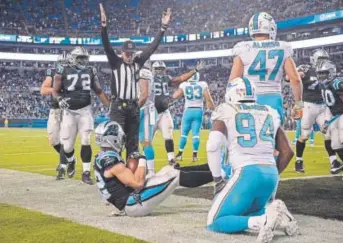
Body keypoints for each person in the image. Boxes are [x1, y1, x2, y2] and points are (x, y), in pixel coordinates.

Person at [206, 77, 299, 242]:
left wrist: (217, 179)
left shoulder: (226, 109)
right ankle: (281, 218)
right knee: (246, 211)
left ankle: (262, 221)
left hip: (245, 173)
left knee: (214, 221)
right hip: (270, 174)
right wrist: (273, 174)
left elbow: (212, 146)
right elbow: (287, 151)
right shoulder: (270, 110)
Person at [93, 121, 215, 217]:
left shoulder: (104, 157)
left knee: (168, 169)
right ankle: (220, 174)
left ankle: (212, 167)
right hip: (133, 204)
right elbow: (138, 184)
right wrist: (142, 159)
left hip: (130, 199)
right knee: (174, 175)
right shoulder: (110, 160)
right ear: (112, 139)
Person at [100, 3, 171, 159]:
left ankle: (130, 177)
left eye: (132, 53)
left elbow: (152, 48)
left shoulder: (138, 62)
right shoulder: (116, 62)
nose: (130, 56)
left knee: (133, 146)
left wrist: (163, 28)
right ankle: (116, 177)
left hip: (133, 107)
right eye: (127, 53)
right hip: (118, 107)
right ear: (122, 52)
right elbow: (106, 46)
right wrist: (104, 27)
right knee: (115, 141)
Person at [229, 12, 303, 123]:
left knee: (253, 136)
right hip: (273, 97)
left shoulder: (243, 47)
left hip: (249, 99)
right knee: (276, 136)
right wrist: (298, 104)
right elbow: (296, 80)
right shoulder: (283, 47)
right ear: (271, 27)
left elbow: (233, 81)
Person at [53, 46, 109, 184]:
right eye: (80, 58)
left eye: (85, 58)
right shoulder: (62, 69)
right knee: (67, 147)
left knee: (86, 140)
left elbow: (98, 90)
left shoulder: (90, 70)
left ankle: (86, 173)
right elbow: (55, 91)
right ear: (73, 58)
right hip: (69, 112)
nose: (83, 61)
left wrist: (109, 105)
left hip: (85, 110)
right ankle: (71, 161)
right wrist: (60, 99)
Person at [293, 50, 342, 173]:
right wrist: (298, 75)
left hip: (323, 106)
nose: (322, 62)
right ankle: (299, 161)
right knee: (304, 135)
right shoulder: (306, 69)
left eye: (324, 59)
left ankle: (333, 162)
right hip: (309, 105)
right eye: (320, 59)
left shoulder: (328, 73)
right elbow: (290, 78)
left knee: (328, 134)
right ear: (314, 60)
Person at [152, 60, 205, 166]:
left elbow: (180, 79)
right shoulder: (147, 78)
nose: (159, 72)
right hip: (151, 111)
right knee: (147, 139)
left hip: (164, 111)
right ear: (153, 70)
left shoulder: (167, 78)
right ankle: (144, 161)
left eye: (161, 69)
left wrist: (195, 70)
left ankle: (171, 159)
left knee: (168, 135)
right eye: (157, 69)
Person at [173, 72, 215, 162]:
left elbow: (175, 96)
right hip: (198, 111)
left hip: (188, 110)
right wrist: (214, 109)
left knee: (184, 134)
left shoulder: (184, 85)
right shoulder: (202, 84)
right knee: (196, 135)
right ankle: (195, 156)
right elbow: (208, 99)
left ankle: (180, 155)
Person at [41, 52, 68, 169]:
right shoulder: (52, 72)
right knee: (52, 139)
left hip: (67, 109)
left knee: (64, 138)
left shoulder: (74, 74)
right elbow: (43, 90)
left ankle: (63, 164)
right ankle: (69, 158)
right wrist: (56, 89)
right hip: (55, 109)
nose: (64, 66)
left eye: (66, 63)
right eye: (62, 63)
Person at [317, 60, 343, 173]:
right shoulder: (323, 86)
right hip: (336, 116)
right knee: (335, 145)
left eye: (324, 73)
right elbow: (329, 106)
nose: (321, 75)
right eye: (320, 73)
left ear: (331, 72)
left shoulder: (337, 82)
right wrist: (327, 121)